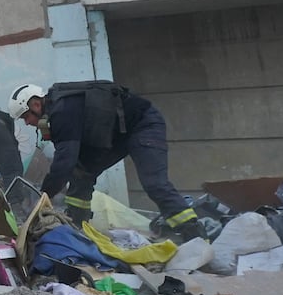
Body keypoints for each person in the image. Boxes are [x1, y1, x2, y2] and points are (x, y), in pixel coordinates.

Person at [14, 80, 199, 235]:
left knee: (154, 183)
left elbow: (64, 163)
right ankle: (78, 227)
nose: (27, 123)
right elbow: (71, 162)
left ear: (36, 105)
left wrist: (43, 197)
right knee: (81, 173)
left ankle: (193, 232)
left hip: (142, 124)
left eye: (25, 117)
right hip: (117, 134)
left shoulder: (62, 112)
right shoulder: (59, 110)